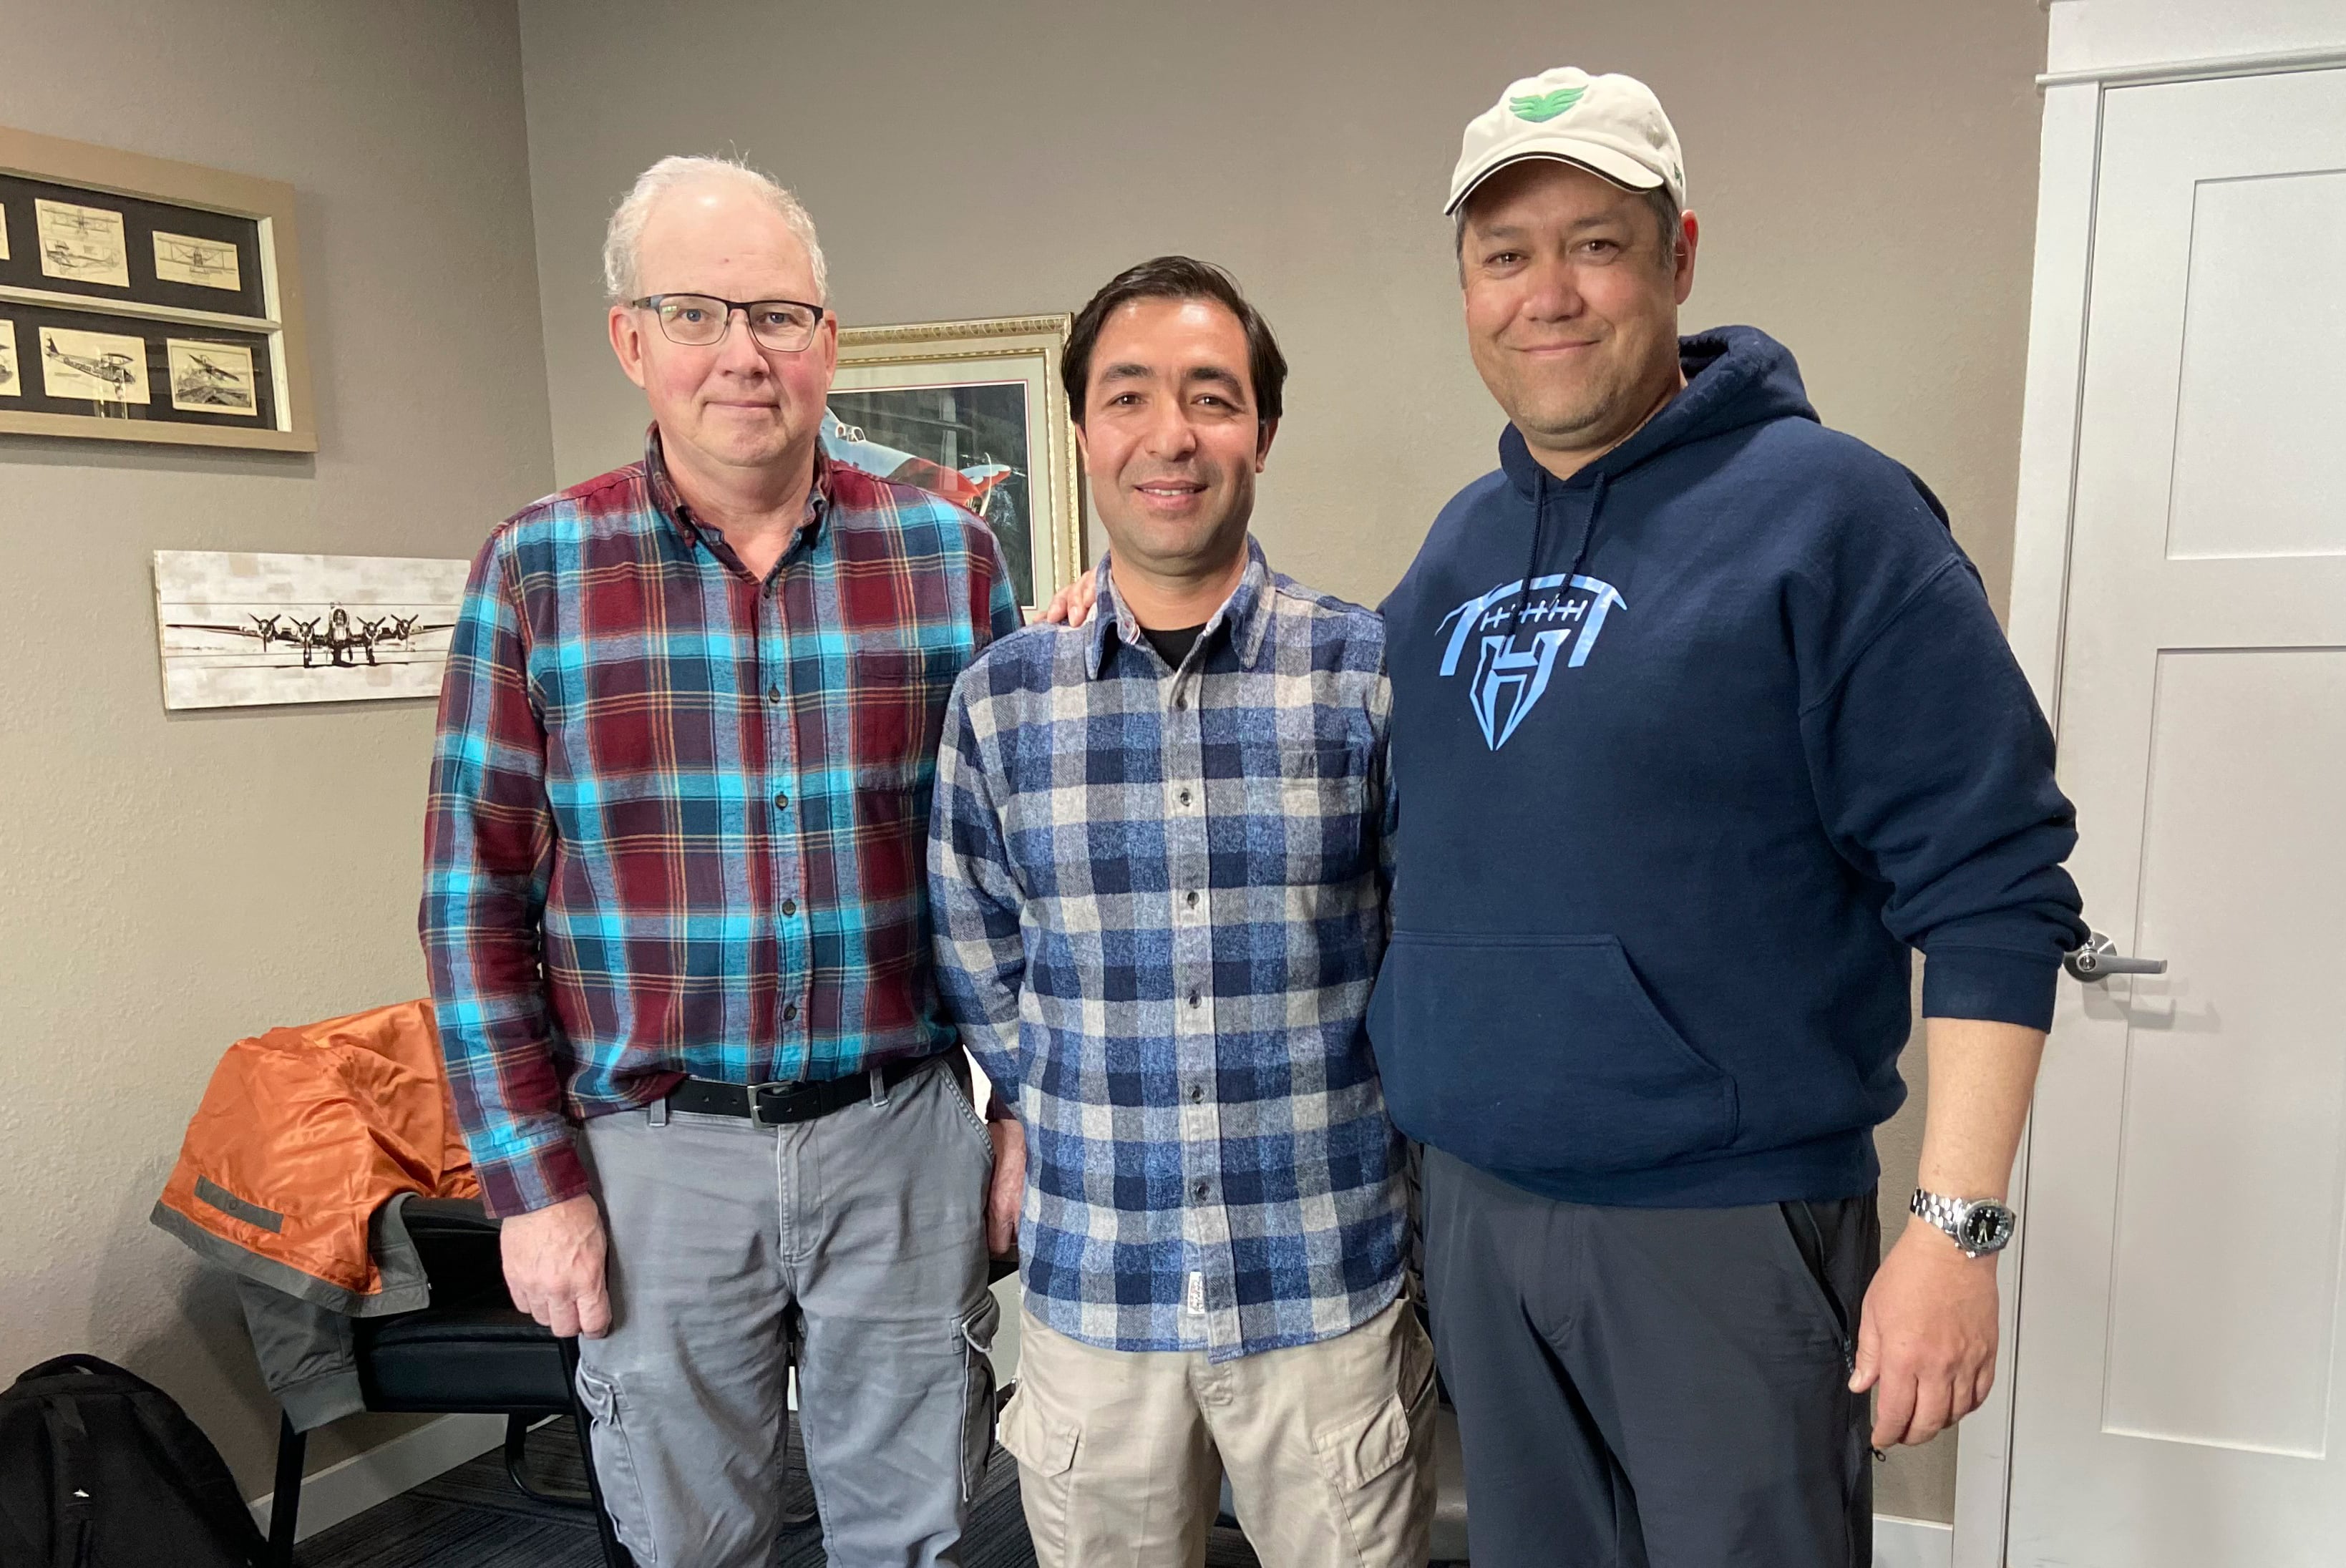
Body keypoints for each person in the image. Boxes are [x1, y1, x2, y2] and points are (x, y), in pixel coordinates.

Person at [1373, 67, 2087, 1565]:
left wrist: (1954, 1232)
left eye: (1594, 244)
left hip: (1724, 1222)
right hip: (1481, 1219)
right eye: (1503, 255)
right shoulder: (1452, 553)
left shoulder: (1832, 518)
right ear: (1463, 288)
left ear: (1677, 257)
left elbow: (1991, 887)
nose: (1545, 293)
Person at [421, 154, 1023, 1568]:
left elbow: (1017, 874)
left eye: (779, 315)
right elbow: (472, 910)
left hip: (900, 1133)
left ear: (828, 339)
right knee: (691, 1542)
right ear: (631, 339)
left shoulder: (945, 559)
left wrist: (1024, 1117)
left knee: (920, 1532)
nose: (742, 355)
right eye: (696, 314)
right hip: (649, 1156)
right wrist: (532, 1185)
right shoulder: (536, 573)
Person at [929, 255, 1434, 1568]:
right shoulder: (1003, 701)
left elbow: (1421, 944)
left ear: (1262, 430)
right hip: (1097, 1290)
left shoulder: (1364, 675)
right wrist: (1038, 1108)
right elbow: (977, 946)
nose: (1171, 436)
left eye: (1211, 398)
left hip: (1324, 1276)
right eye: (1130, 397)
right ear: (1083, 430)